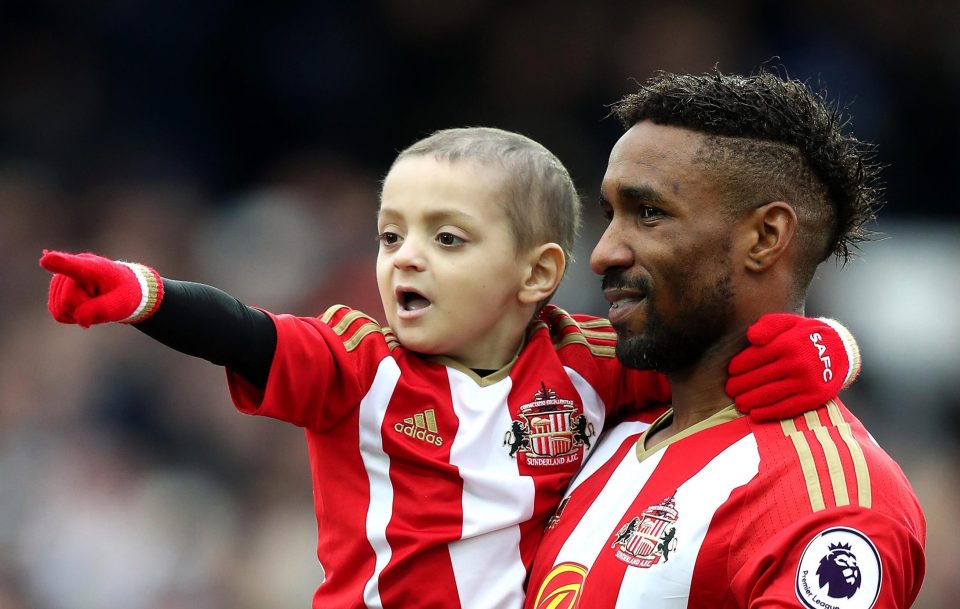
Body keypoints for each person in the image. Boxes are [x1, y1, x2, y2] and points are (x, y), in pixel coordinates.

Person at [40, 127, 859, 609]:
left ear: (537, 274)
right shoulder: (358, 365)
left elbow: (720, 355)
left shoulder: (590, 361)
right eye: (391, 235)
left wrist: (833, 349)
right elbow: (250, 335)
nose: (406, 261)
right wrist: (148, 295)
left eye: (448, 238)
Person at [524, 69, 925, 609]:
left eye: (649, 214)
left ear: (765, 237)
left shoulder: (832, 500)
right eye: (610, 215)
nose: (603, 253)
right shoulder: (597, 419)